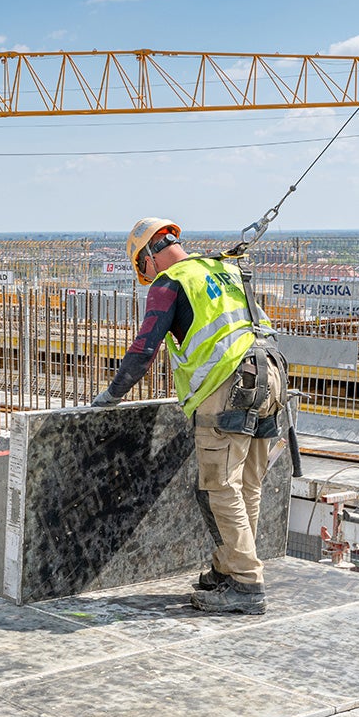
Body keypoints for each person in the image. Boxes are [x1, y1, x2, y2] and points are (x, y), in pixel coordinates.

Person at [92, 218, 288, 614]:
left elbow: (144, 349)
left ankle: (247, 584)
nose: (146, 280)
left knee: (221, 486)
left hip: (230, 384)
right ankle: (229, 567)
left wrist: (110, 395)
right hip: (271, 375)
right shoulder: (224, 268)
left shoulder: (171, 283)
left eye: (141, 271)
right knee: (247, 484)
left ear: (148, 257)